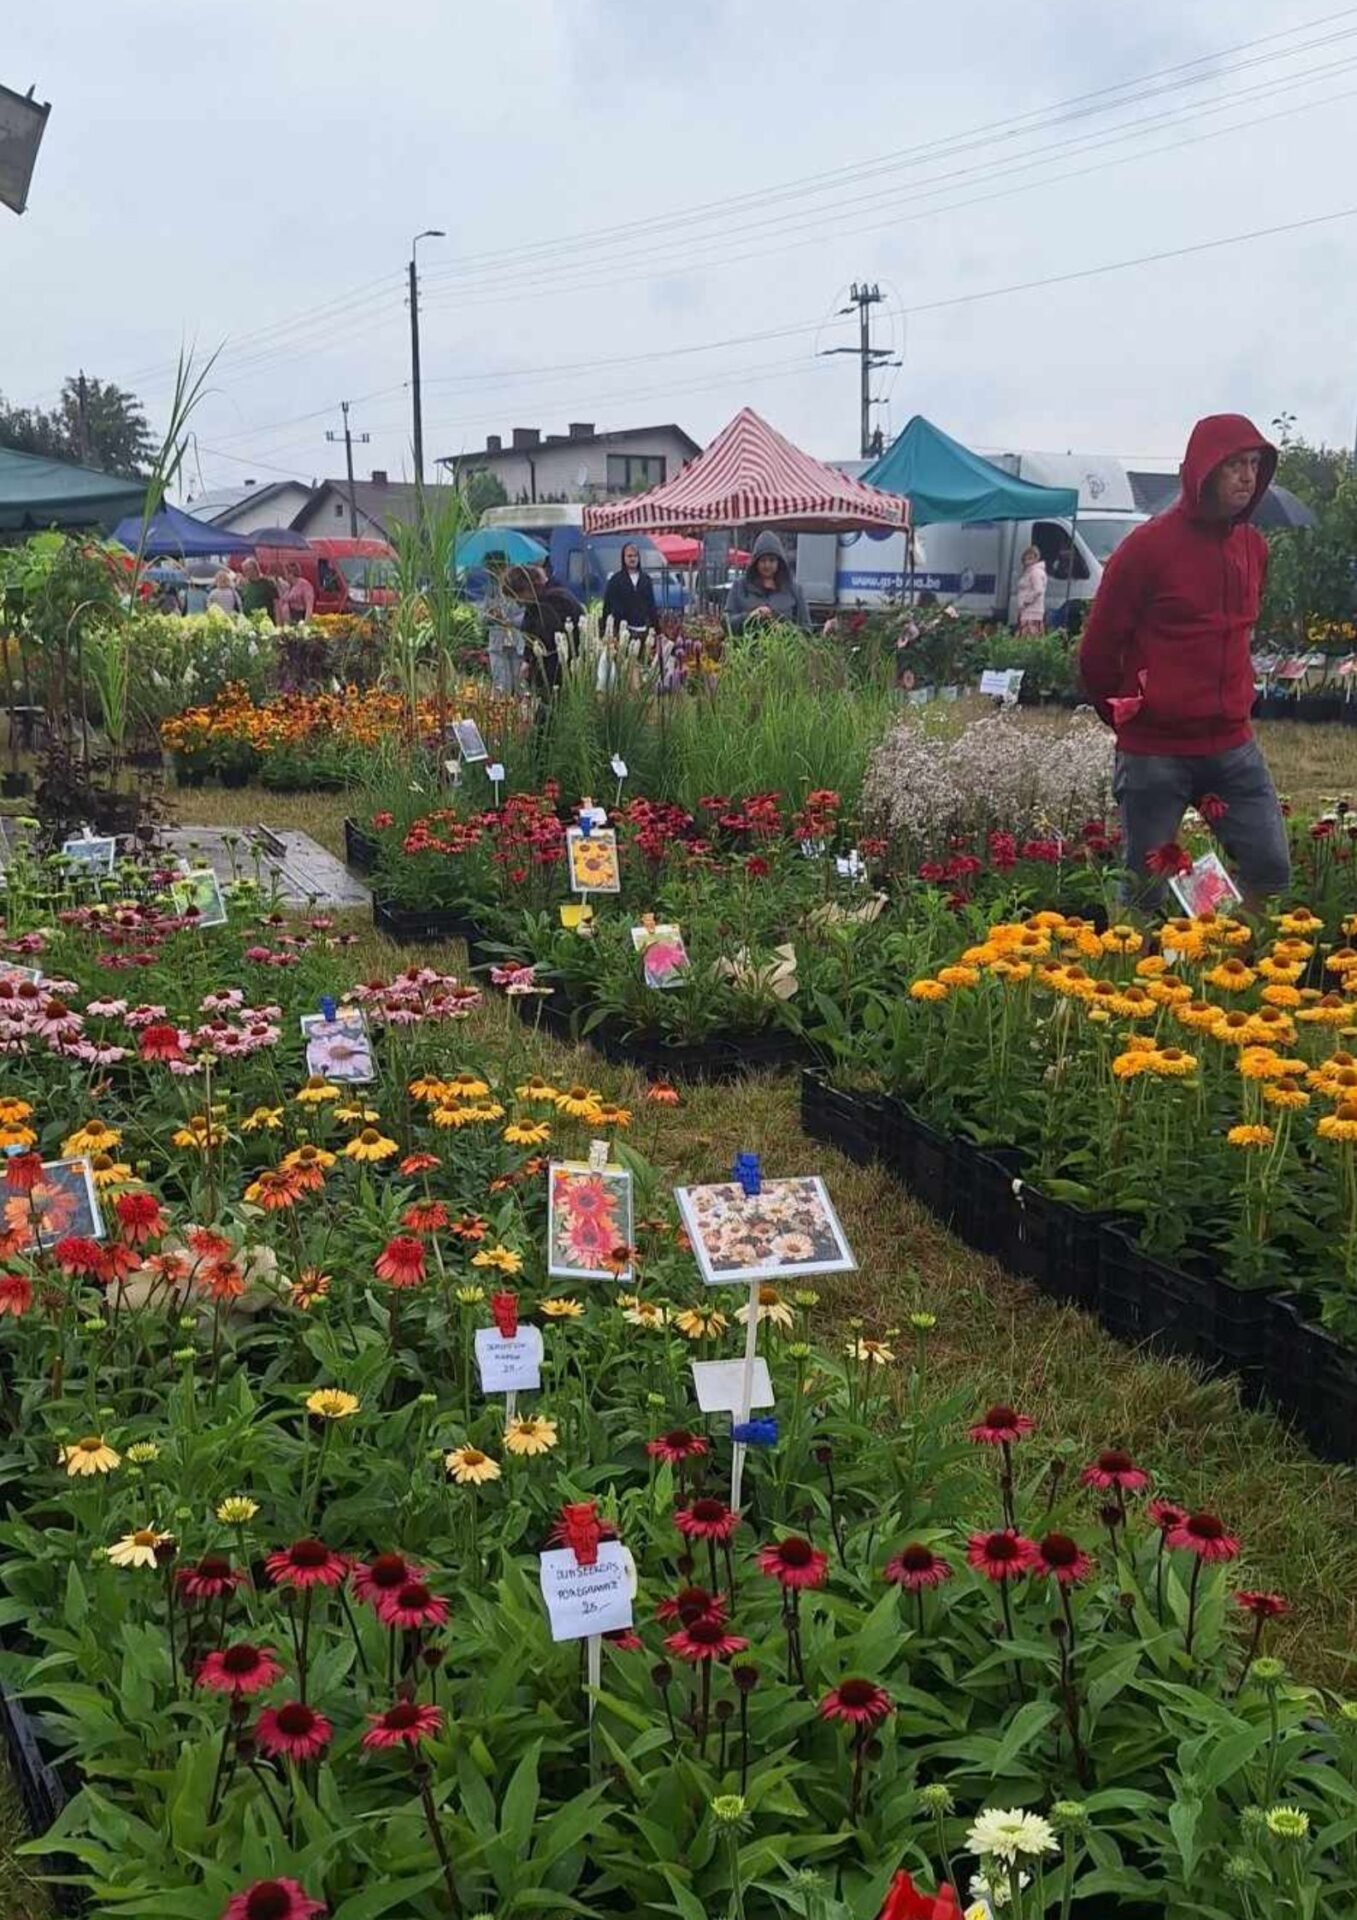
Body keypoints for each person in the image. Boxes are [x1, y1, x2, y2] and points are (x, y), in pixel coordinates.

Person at [1079, 413, 1289, 912]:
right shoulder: (1147, 549)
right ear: (1203, 471)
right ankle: (1131, 979)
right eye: (1234, 464)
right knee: (1143, 893)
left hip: (1232, 746)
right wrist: (1133, 719)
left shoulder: (1252, 547)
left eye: (1254, 464)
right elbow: (1097, 652)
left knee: (1272, 871)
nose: (1247, 476)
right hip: (1156, 752)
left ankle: (1236, 970)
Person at [505, 565, 584, 695]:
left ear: (527, 588)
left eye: (517, 596)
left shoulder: (556, 600)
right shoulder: (536, 603)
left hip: (560, 673)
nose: (517, 603)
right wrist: (527, 658)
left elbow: (547, 639)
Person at [723, 531, 811, 633]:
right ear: (756, 562)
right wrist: (750, 616)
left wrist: (786, 631)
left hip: (783, 646)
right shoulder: (740, 587)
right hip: (747, 647)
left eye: (772, 560)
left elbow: (807, 629)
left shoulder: (794, 590)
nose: (767, 565)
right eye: (763, 560)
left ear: (779, 562)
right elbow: (726, 622)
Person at [482, 552, 526, 696]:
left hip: (517, 643)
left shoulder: (518, 586)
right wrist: (491, 614)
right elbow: (482, 618)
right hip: (497, 644)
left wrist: (510, 621)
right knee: (501, 685)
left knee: (520, 685)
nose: (494, 572)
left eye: (497, 567)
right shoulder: (490, 590)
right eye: (491, 568)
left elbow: (526, 614)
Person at [600, 541, 659, 647]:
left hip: (643, 632)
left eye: (635, 556)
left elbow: (652, 607)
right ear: (624, 558)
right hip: (622, 633)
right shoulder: (615, 580)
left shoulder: (646, 580)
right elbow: (607, 607)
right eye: (629, 556)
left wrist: (657, 630)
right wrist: (606, 631)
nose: (633, 559)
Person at [1014, 544, 1047, 636]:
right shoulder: (1029, 571)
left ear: (1037, 558)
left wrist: (1026, 601)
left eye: (1031, 557)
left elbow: (1038, 590)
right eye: (1026, 558)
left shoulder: (1035, 572)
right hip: (1027, 611)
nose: (1028, 560)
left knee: (1028, 637)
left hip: (1032, 611)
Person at [238, 556, 279, 622]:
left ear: (255, 569)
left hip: (265, 621)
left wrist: (278, 622)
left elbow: (277, 603)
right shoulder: (246, 585)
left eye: (247, 570)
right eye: (244, 570)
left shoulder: (268, 583)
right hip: (249, 622)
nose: (245, 573)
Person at [279, 561, 316, 625]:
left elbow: (309, 607)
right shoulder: (289, 587)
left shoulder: (305, 585)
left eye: (285, 573)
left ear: (291, 574)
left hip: (301, 619)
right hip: (291, 620)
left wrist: (306, 623)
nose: (284, 576)